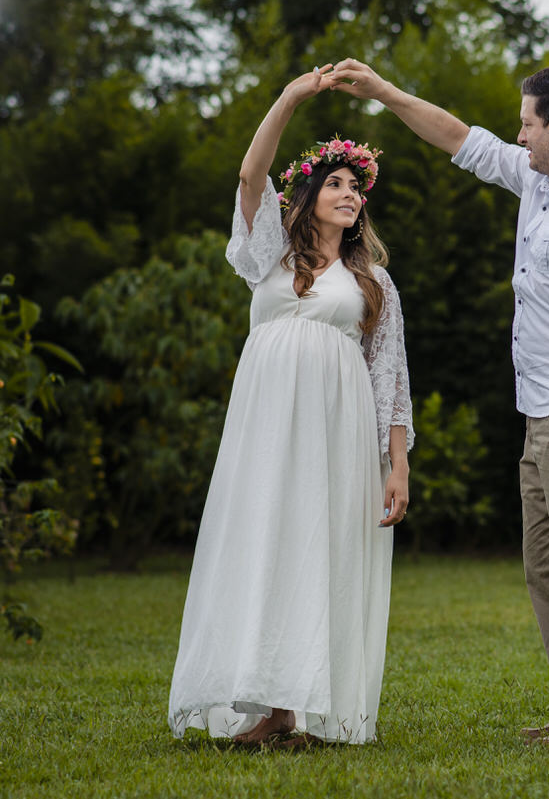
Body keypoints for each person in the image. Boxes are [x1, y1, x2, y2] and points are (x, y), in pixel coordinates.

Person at [329, 59, 549, 744]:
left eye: (527, 122)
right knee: (545, 558)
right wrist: (382, 92)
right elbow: (457, 138)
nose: (518, 134)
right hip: (541, 408)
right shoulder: (540, 177)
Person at [167, 65, 414, 748]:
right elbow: (250, 177)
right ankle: (265, 704)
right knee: (265, 538)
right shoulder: (270, 257)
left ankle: (296, 710)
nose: (348, 194)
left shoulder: (373, 283)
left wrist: (397, 464)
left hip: (337, 432)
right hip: (268, 424)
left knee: (319, 547)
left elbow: (391, 377)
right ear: (306, 195)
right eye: (334, 183)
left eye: (356, 187)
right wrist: (291, 96)